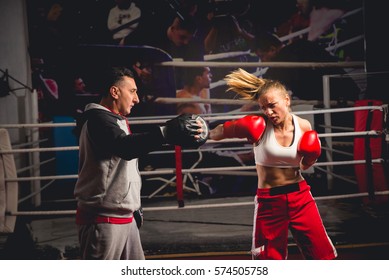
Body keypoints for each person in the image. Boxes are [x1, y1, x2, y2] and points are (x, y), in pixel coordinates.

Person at [73, 66, 208, 259]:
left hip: (123, 217)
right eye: (132, 91)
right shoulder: (98, 119)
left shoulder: (114, 120)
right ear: (114, 91)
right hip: (104, 220)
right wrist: (165, 133)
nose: (136, 99)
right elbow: (124, 147)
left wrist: (134, 204)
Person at [209, 68, 337, 260]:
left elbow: (304, 166)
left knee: (323, 256)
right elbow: (219, 132)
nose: (268, 112)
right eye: (263, 108)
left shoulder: (303, 126)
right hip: (270, 201)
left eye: (272, 105)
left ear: (286, 100)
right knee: (268, 262)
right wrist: (203, 132)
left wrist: (311, 157)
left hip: (300, 196)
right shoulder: (258, 127)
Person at [252, 31, 360, 101]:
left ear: (272, 49)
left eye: (262, 56)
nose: (262, 61)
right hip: (343, 91)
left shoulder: (283, 61)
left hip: (336, 97)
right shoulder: (301, 45)